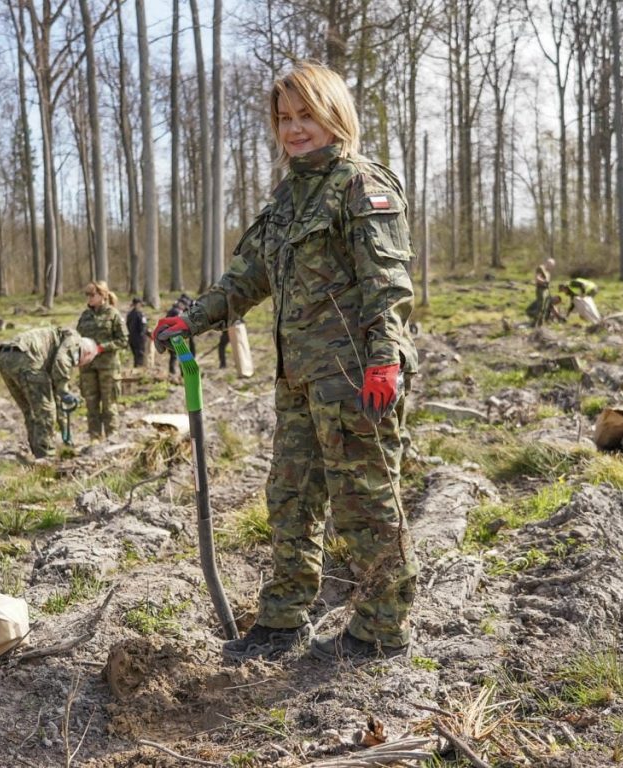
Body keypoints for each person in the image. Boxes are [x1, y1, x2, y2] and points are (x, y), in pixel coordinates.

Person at [153, 62, 418, 663]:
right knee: (290, 498)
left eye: (306, 115)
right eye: (284, 118)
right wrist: (193, 318)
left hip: (355, 380)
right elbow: (247, 279)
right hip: (297, 380)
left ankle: (382, 627)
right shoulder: (287, 199)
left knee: (365, 503)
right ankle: (282, 618)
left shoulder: (361, 185)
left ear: (334, 115)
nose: (295, 129)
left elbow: (388, 286)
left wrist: (386, 360)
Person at [0, 326, 98, 458]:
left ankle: (37, 453)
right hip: (28, 359)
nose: (77, 365)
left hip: (5, 357)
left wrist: (65, 431)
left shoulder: (54, 347)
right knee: (45, 412)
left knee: (31, 410)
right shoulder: (75, 340)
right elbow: (62, 360)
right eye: (82, 362)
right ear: (87, 354)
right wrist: (63, 389)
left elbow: (56, 399)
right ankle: (46, 457)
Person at [76, 281, 128, 438]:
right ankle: (95, 438)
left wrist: (101, 348)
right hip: (87, 367)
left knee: (109, 404)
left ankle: (112, 437)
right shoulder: (85, 316)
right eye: (87, 295)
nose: (89, 298)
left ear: (103, 296)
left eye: (92, 295)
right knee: (91, 404)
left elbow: (123, 340)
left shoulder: (113, 315)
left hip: (108, 367)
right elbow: (77, 338)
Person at [165, 294, 196, 377]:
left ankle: (174, 372)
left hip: (170, 336)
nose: (184, 308)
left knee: (175, 356)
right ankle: (181, 373)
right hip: (176, 337)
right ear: (181, 304)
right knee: (182, 355)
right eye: (184, 305)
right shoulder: (177, 312)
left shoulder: (172, 310)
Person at [526, 258, 561, 326]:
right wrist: (544, 281)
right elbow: (537, 278)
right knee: (541, 306)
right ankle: (537, 321)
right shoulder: (541, 268)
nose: (552, 267)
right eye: (551, 265)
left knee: (546, 305)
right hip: (541, 289)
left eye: (553, 266)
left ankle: (542, 321)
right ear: (548, 263)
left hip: (546, 290)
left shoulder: (548, 272)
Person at [126, 298, 149, 367]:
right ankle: (138, 370)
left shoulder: (129, 314)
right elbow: (143, 327)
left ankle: (136, 367)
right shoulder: (140, 315)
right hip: (139, 338)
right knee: (140, 356)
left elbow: (127, 325)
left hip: (131, 338)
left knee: (135, 355)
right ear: (138, 304)